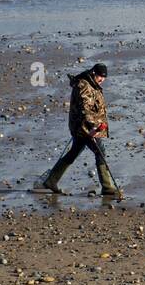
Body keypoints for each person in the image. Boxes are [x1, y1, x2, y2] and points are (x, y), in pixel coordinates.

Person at [39, 63, 122, 199]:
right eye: (100, 76)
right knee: (100, 152)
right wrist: (94, 127)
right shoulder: (84, 85)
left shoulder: (91, 84)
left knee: (74, 152)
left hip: (84, 127)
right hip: (84, 128)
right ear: (94, 73)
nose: (102, 79)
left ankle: (51, 180)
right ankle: (108, 188)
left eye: (104, 77)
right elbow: (85, 110)